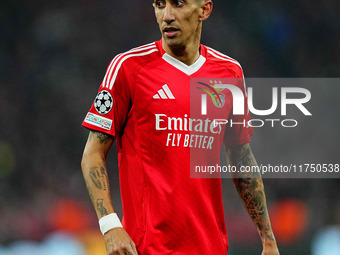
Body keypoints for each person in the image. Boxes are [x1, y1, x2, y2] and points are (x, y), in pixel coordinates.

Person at [81, 0, 280, 254]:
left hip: (211, 248)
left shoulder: (229, 73)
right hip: (147, 248)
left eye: (177, 4)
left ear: (204, 10)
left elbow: (241, 159)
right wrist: (110, 226)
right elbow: (92, 154)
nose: (166, 16)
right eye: (159, 4)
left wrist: (268, 238)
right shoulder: (128, 68)